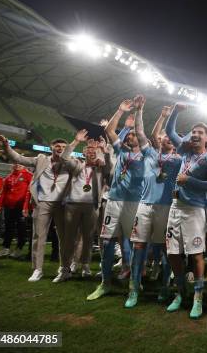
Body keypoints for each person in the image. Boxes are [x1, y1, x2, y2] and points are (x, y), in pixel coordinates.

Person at [87, 98, 149, 300]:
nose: (130, 137)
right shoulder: (122, 150)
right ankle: (105, 283)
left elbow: (139, 132)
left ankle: (134, 284)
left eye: (133, 135)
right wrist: (120, 111)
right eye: (129, 135)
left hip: (134, 203)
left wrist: (139, 113)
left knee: (135, 243)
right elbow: (110, 131)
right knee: (106, 243)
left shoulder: (147, 155)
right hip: (114, 201)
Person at [164, 103, 207, 319]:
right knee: (172, 254)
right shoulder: (184, 150)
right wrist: (176, 111)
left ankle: (197, 297)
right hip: (175, 207)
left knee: (195, 254)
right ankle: (180, 293)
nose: (196, 135)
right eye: (194, 132)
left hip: (194, 210)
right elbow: (169, 132)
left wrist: (190, 180)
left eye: (200, 132)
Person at [124, 102, 181, 308]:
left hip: (166, 209)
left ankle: (165, 286)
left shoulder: (178, 160)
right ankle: (133, 289)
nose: (164, 137)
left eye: (168, 136)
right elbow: (140, 132)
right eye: (162, 135)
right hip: (144, 206)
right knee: (138, 246)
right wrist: (139, 110)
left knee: (165, 249)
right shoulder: (149, 154)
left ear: (173, 142)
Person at [0, 135, 71, 282]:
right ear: (51, 147)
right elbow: (19, 159)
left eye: (63, 147)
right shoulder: (41, 159)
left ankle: (65, 269)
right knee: (38, 237)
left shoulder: (70, 163)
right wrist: (6, 147)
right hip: (42, 202)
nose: (60, 149)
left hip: (62, 204)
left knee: (64, 238)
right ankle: (38, 269)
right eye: (58, 146)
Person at [58, 131, 111, 281]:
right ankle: (65, 268)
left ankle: (85, 265)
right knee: (69, 238)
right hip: (72, 205)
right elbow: (63, 158)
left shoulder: (101, 167)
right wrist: (75, 141)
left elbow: (110, 169)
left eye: (94, 150)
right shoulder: (76, 164)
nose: (91, 152)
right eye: (88, 150)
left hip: (92, 206)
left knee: (88, 238)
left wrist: (104, 152)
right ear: (83, 152)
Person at [0, 162, 30, 258]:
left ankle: (19, 248)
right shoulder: (9, 177)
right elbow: (4, 192)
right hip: (9, 206)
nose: (17, 165)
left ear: (24, 165)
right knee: (8, 228)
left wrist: (26, 207)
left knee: (21, 228)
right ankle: (5, 248)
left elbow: (29, 192)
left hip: (21, 207)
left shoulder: (29, 175)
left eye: (20, 163)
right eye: (15, 163)